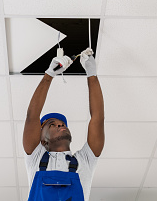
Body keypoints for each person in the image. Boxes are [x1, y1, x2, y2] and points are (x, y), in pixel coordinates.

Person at [23, 48, 104, 201]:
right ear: (42, 140)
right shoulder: (36, 158)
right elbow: (31, 117)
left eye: (62, 124)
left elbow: (98, 119)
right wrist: (49, 75)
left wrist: (92, 75)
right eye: (52, 125)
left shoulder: (84, 160)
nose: (61, 125)